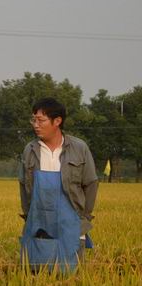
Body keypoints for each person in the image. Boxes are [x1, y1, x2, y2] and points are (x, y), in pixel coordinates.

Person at [19, 97, 98, 271]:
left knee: (70, 278)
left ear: (57, 121)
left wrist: (82, 219)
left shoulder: (79, 148)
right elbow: (24, 188)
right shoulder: (30, 150)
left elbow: (91, 184)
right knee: (35, 276)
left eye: (41, 120)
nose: (35, 125)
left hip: (71, 227)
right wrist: (30, 217)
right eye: (34, 120)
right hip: (39, 225)